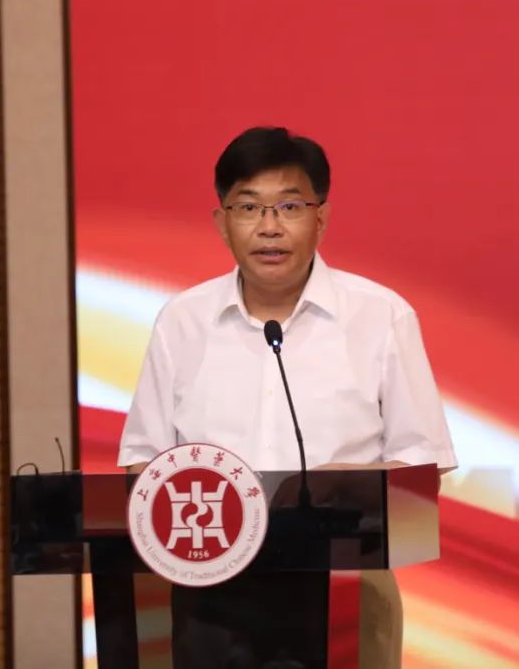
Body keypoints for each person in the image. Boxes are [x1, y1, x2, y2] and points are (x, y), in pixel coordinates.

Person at [117, 126, 457, 668]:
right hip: (209, 596)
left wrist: (350, 482)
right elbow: (144, 462)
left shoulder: (381, 315)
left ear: (321, 218)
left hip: (347, 585)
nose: (269, 227)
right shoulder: (182, 321)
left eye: (290, 207)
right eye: (248, 207)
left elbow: (422, 467)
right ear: (222, 222)